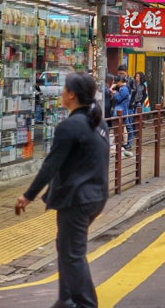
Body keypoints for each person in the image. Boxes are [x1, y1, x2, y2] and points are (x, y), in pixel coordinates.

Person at [15, 73, 109, 308]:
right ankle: (66, 299)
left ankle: (85, 304)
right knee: (66, 246)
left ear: (71, 95)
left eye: (64, 89)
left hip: (77, 199)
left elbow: (51, 164)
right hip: (95, 197)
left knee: (73, 252)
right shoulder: (98, 122)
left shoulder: (71, 125)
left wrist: (28, 195)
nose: (61, 93)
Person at [111, 76, 132, 151]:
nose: (116, 84)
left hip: (122, 109)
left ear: (120, 81)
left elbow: (119, 98)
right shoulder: (124, 89)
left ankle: (126, 143)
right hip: (122, 109)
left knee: (124, 127)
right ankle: (125, 143)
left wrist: (114, 93)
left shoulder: (124, 89)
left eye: (117, 82)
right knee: (124, 127)